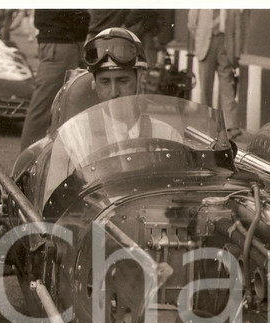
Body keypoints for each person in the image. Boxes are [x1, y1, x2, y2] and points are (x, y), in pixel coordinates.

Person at [43, 27, 182, 202]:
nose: (114, 92)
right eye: (105, 82)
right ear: (94, 83)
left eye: (123, 81)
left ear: (140, 80)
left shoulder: (167, 136)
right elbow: (54, 205)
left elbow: (175, 203)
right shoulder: (73, 135)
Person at [19, 9, 90, 151]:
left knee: (56, 106)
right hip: (61, 40)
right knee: (43, 108)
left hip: (66, 40)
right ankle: (26, 165)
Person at [187, 9, 248, 139]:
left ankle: (232, 126)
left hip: (226, 47)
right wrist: (200, 39)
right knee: (206, 88)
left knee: (227, 85)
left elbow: (237, 29)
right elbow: (192, 24)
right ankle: (207, 124)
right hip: (205, 46)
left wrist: (236, 54)